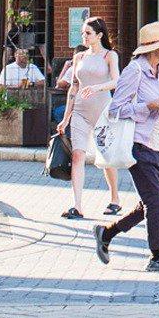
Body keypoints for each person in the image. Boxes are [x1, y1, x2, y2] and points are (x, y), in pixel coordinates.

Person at [94, 22, 159, 273]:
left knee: (146, 204)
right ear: (155, 47)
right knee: (157, 202)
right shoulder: (134, 70)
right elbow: (116, 109)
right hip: (138, 144)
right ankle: (157, 256)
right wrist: (148, 106)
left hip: (158, 142)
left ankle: (107, 234)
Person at [56, 15, 123, 221]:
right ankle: (77, 205)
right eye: (83, 33)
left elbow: (116, 81)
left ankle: (115, 199)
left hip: (103, 112)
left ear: (99, 35)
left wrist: (96, 87)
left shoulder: (109, 56)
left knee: (106, 157)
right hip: (80, 113)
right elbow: (74, 87)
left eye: (88, 33)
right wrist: (66, 117)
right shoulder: (79, 57)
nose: (84, 37)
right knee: (77, 156)